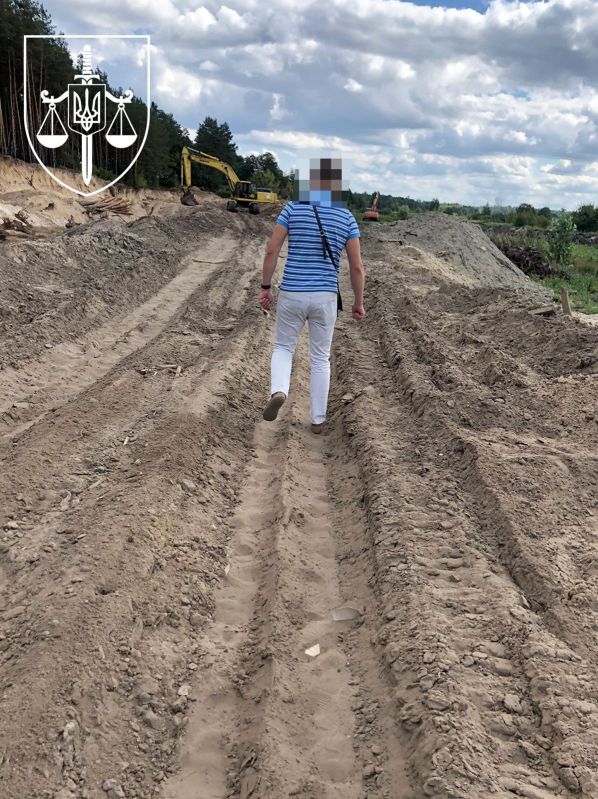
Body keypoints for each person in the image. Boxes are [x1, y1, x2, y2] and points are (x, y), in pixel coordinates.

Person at [258, 157, 366, 434]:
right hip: (325, 297)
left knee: (284, 347)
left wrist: (266, 287)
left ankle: (279, 390)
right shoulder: (346, 217)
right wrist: (358, 302)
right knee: (320, 358)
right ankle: (317, 420)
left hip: (292, 292)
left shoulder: (292, 208)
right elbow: (356, 267)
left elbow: (272, 250)